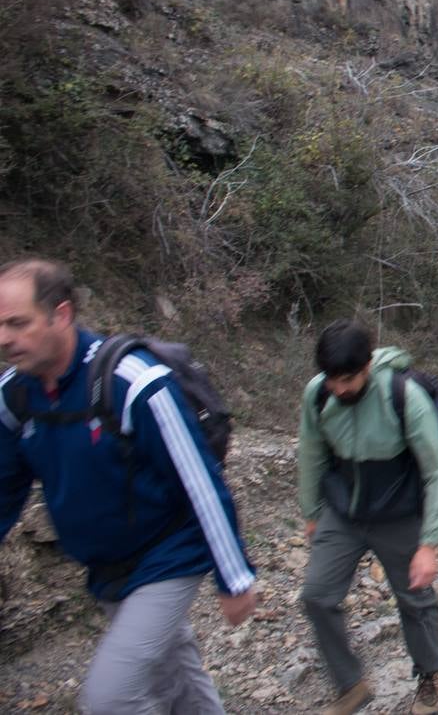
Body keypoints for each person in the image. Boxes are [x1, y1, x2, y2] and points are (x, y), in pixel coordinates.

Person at [0, 259, 256, 713]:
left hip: (170, 552)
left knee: (110, 698)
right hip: (108, 568)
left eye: (18, 323)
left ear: (60, 314)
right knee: (175, 682)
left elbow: (198, 478)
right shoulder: (15, 396)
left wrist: (234, 576)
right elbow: (4, 485)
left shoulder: (131, 380)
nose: (4, 338)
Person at [298, 320, 438, 715]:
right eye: (332, 379)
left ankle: (430, 674)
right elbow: (312, 453)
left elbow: (435, 472)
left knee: (415, 599)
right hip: (343, 510)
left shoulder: (404, 397)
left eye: (347, 379)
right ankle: (351, 684)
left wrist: (429, 544)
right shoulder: (318, 395)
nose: (339, 389)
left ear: (367, 367)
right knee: (316, 594)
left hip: (398, 511)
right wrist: (312, 512)